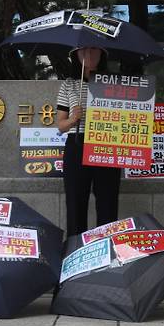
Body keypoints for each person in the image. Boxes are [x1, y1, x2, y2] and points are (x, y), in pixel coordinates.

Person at [56, 47, 122, 237]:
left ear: (103, 54)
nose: (89, 55)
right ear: (75, 55)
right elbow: (60, 125)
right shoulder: (69, 85)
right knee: (76, 201)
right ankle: (75, 250)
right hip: (77, 144)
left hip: (107, 145)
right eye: (83, 51)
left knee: (108, 202)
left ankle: (107, 250)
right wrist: (72, 119)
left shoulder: (115, 83)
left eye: (94, 50)